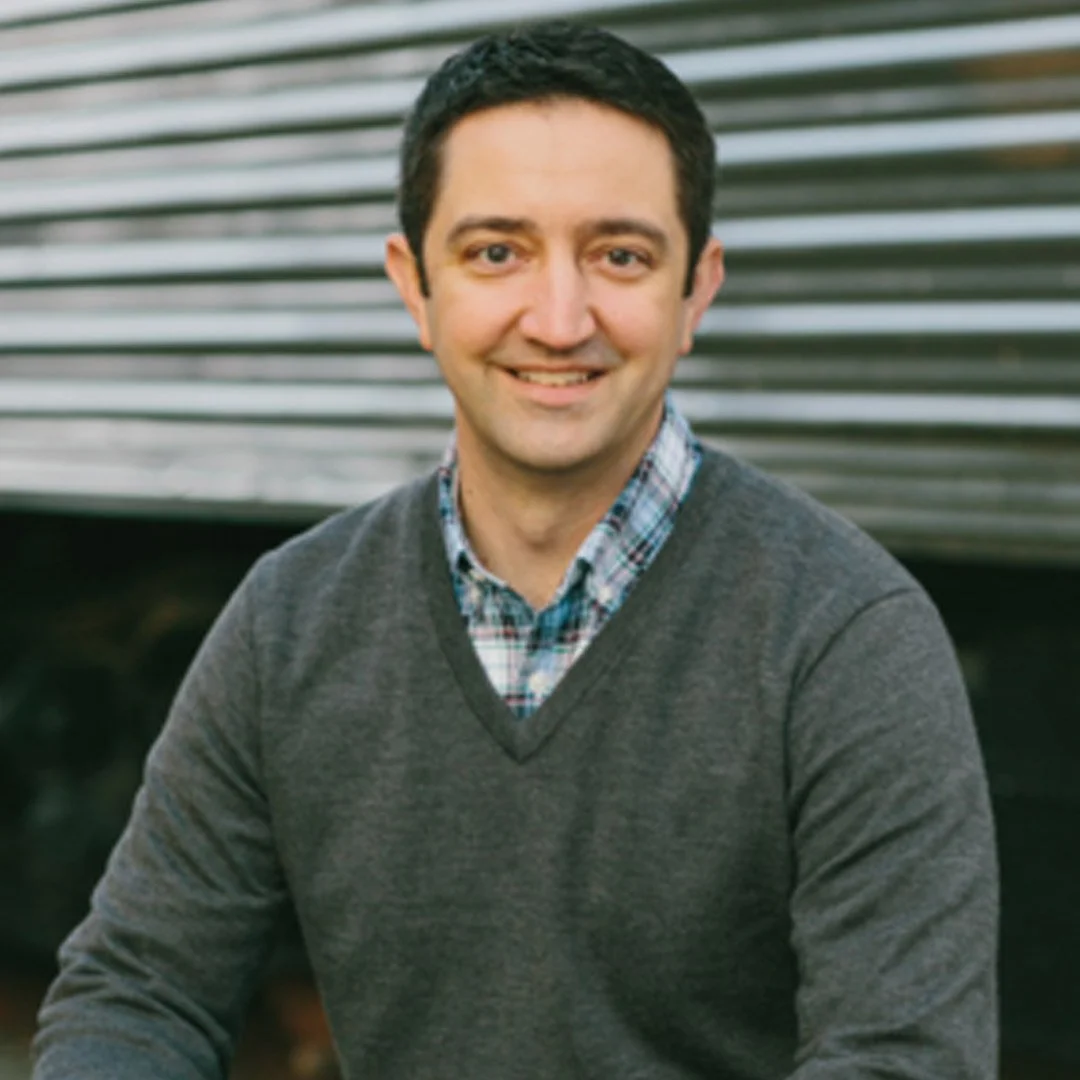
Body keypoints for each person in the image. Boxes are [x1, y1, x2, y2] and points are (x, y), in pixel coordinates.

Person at [32, 21, 998, 1079]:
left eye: (619, 255)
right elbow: (139, 990)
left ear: (696, 291)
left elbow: (902, 1059)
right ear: (416, 287)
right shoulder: (289, 623)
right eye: (497, 252)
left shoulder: (847, 638)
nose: (559, 318)